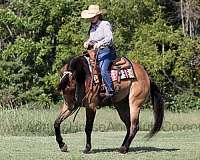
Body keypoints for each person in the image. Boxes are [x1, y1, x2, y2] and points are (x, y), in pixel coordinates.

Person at [81, 4, 116, 101]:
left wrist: (100, 44)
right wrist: (88, 42)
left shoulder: (105, 24)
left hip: (107, 51)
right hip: (96, 52)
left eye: (92, 17)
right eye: (90, 17)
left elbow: (109, 38)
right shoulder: (92, 28)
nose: (91, 19)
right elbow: (92, 40)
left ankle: (110, 91)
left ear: (97, 16)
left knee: (103, 69)